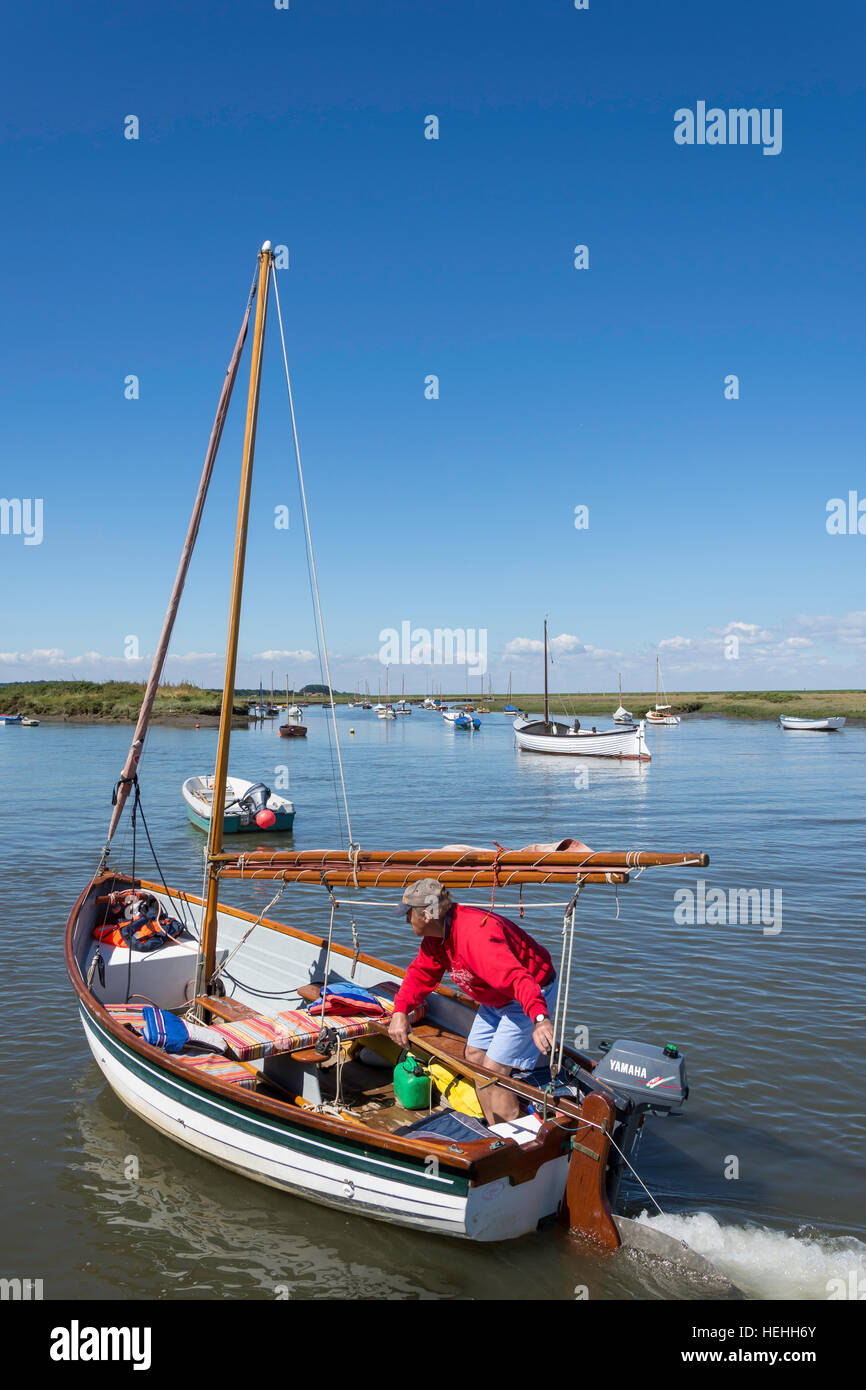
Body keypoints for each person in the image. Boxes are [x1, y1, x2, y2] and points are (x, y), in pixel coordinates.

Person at [388, 879, 557, 1123]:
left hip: (529, 993)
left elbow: (519, 979)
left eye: (408, 914)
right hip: (495, 998)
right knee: (475, 1056)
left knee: (493, 1070)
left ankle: (516, 1144)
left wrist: (540, 1019)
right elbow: (422, 973)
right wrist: (400, 1011)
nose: (405, 920)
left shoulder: (476, 937)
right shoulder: (436, 938)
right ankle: (494, 1128)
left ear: (427, 914)